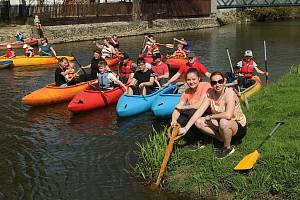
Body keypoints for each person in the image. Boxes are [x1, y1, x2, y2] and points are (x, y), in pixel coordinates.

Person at [177, 71, 247, 159]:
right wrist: (186, 128)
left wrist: (211, 116)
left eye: (220, 81)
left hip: (237, 126)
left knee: (223, 121)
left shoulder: (229, 94)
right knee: (199, 122)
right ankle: (220, 139)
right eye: (214, 82)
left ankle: (227, 147)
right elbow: (199, 111)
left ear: (224, 81)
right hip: (221, 123)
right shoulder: (210, 93)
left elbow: (228, 115)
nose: (217, 85)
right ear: (211, 84)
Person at [171, 68, 211, 134]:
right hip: (194, 112)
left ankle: (195, 136)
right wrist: (173, 120)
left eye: (194, 79)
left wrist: (183, 107)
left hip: (207, 113)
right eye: (188, 80)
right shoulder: (186, 92)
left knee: (191, 112)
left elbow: (199, 105)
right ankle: (178, 133)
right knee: (177, 118)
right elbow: (178, 107)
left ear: (199, 78)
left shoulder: (206, 85)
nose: (191, 82)